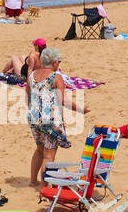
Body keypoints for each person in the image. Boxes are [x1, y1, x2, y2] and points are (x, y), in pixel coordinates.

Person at [26, 47, 89, 187]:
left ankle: (32, 181)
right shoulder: (56, 76)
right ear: (54, 62)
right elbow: (63, 101)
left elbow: (28, 96)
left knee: (39, 149)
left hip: (33, 116)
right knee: (48, 156)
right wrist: (82, 110)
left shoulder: (31, 75)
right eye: (59, 61)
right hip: (49, 119)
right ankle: (44, 187)